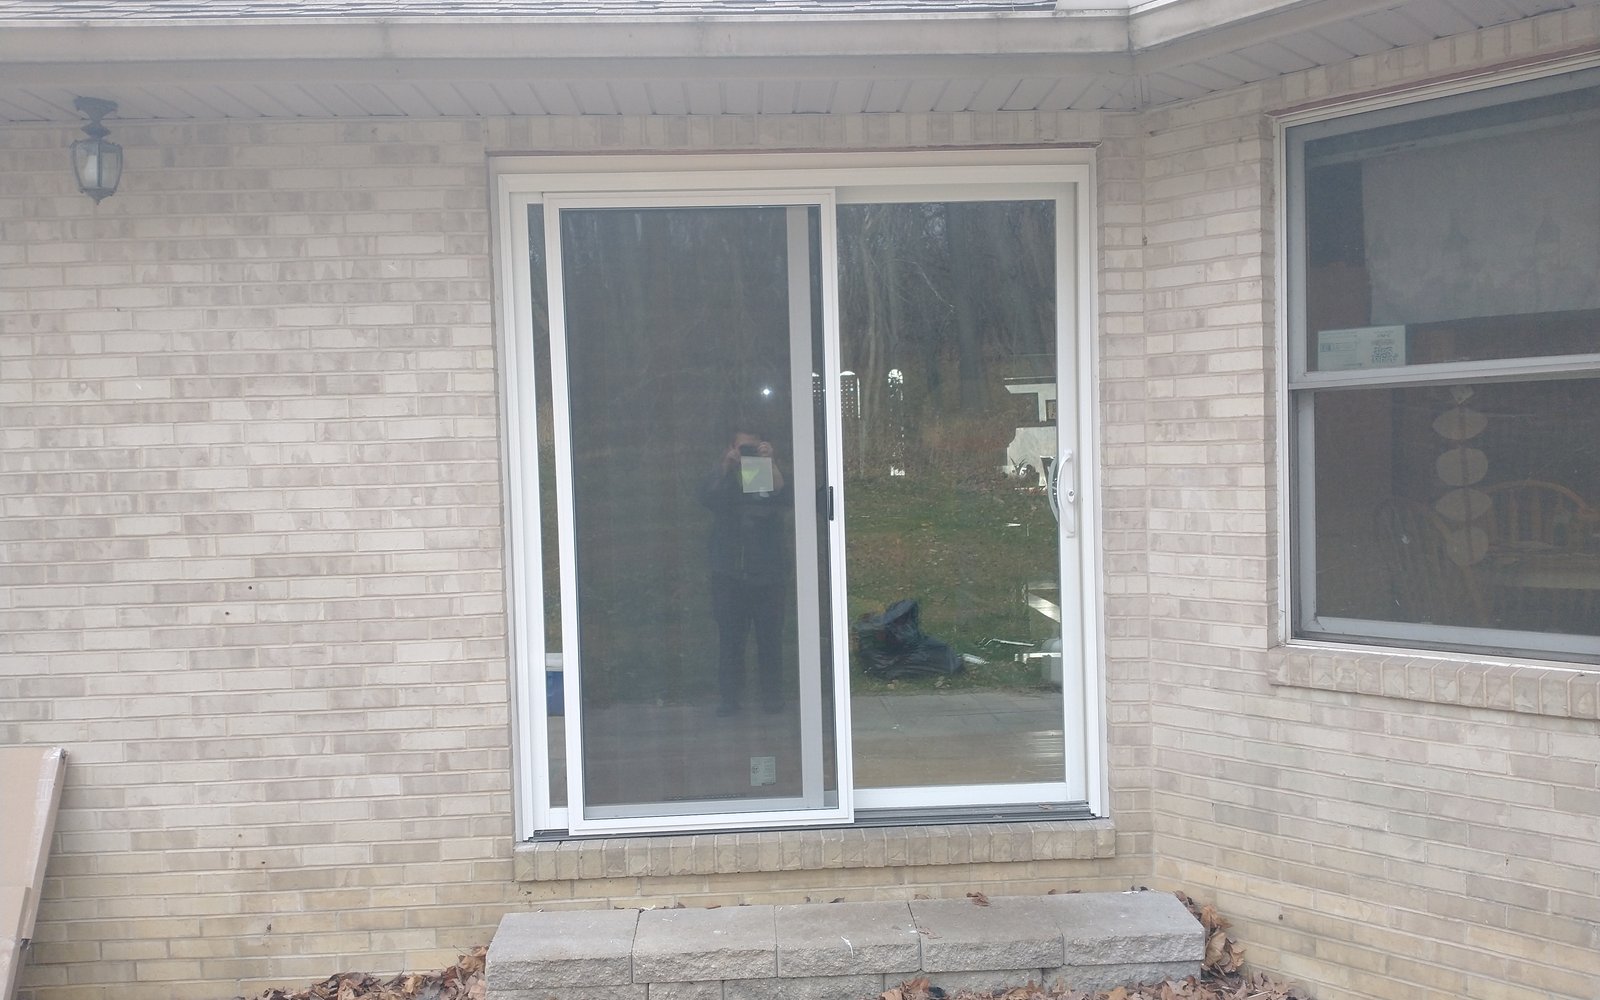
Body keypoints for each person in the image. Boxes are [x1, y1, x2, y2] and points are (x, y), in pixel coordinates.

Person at [698, 424, 791, 716]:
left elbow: (784, 498)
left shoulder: (766, 473)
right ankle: (730, 700)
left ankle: (772, 699)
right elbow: (706, 499)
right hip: (729, 573)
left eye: (754, 447)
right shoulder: (723, 476)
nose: (747, 453)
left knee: (770, 639)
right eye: (743, 448)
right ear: (731, 448)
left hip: (768, 573)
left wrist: (770, 463)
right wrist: (727, 466)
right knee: (730, 641)